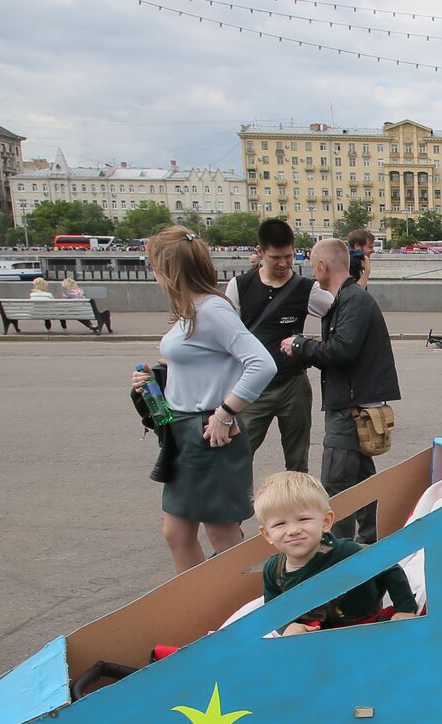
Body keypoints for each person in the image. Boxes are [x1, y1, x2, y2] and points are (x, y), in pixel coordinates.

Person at [130, 226, 276, 575]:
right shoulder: (194, 309)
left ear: (168, 270)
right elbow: (204, 363)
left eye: (154, 266)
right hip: (184, 431)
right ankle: (199, 602)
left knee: (222, 536)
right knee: (177, 533)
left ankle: (239, 604)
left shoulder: (211, 310)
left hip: (208, 432)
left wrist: (225, 413)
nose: (154, 274)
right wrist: (156, 379)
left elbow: (263, 364)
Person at [279, 238, 401, 545]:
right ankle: (370, 542)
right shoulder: (349, 298)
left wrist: (300, 346)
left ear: (322, 265)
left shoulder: (352, 300)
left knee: (337, 484)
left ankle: (338, 551)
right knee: (360, 480)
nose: (312, 271)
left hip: (349, 408)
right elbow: (342, 350)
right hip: (354, 403)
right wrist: (309, 349)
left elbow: (342, 350)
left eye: (312, 265)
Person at [223, 219, 334, 471]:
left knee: (297, 461)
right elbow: (225, 334)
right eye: (275, 257)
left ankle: (297, 497)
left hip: (293, 385)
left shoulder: (307, 289)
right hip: (252, 388)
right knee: (237, 457)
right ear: (260, 252)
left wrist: (314, 346)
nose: (283, 263)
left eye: (288, 256)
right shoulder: (239, 286)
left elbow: (339, 313)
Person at [254, 470, 417, 636]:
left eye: (303, 519)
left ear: (326, 522)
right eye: (280, 524)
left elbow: (388, 565)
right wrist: (287, 627)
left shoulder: (347, 553)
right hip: (313, 634)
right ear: (267, 534)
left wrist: (405, 609)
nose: (293, 530)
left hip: (364, 628)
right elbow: (273, 608)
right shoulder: (274, 569)